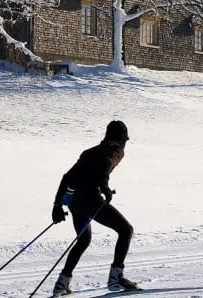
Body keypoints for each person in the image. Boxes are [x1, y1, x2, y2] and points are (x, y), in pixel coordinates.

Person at [51, 120, 138, 297]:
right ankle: (116, 277)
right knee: (126, 230)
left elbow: (67, 177)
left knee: (83, 240)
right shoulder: (116, 150)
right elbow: (105, 165)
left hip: (75, 203)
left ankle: (63, 282)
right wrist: (105, 187)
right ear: (122, 138)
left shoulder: (90, 151)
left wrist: (57, 205)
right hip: (91, 200)